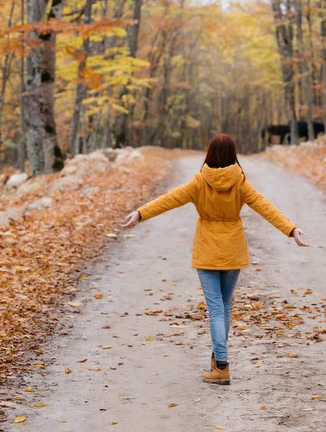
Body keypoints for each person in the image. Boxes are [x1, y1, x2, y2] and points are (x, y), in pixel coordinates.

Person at [120, 134, 308, 385]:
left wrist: (140, 213)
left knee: (216, 310)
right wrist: (291, 229)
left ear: (209, 154)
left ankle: (221, 365)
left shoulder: (200, 181)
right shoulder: (240, 182)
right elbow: (265, 206)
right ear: (233, 155)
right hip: (232, 252)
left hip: (207, 252)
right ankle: (217, 360)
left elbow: (170, 199)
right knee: (224, 308)